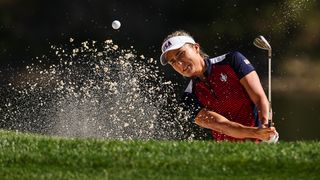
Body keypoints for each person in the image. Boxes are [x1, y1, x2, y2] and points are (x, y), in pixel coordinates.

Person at [160, 30, 278, 142]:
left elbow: (259, 97)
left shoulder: (232, 61)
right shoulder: (188, 98)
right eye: (173, 62)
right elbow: (222, 126)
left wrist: (264, 126)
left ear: (196, 48)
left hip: (262, 142)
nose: (179, 63)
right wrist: (256, 133)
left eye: (181, 54)